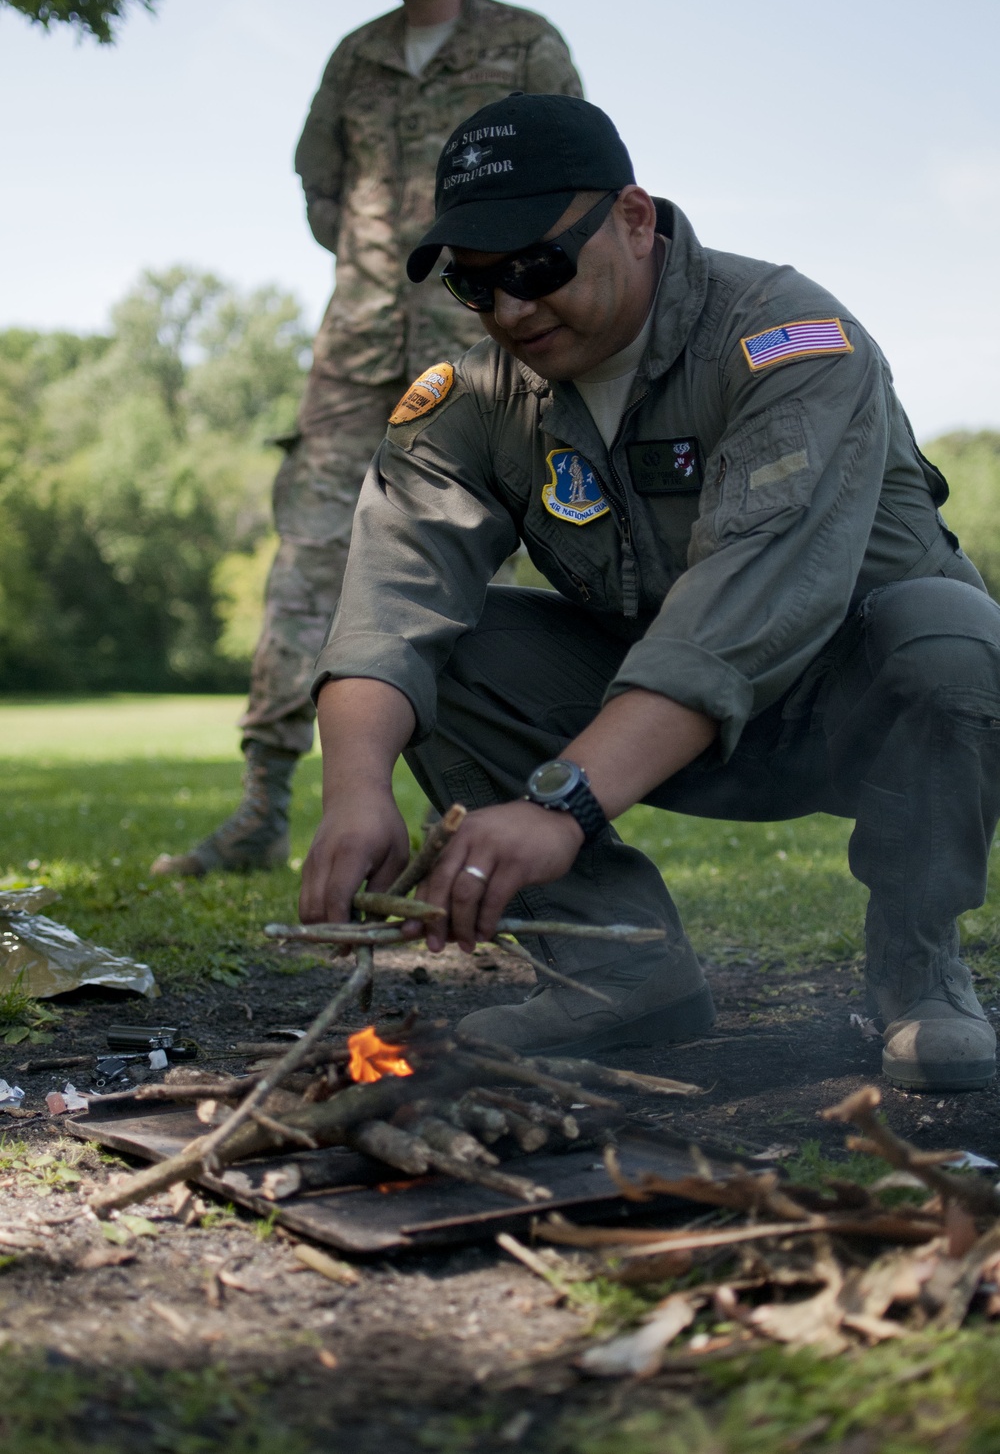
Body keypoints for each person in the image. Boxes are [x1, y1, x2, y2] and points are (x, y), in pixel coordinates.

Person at [298, 92, 1000, 1094]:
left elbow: (748, 602)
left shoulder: (786, 340)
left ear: (633, 218)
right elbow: (390, 600)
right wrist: (356, 792)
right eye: (474, 283)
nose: (509, 310)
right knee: (450, 647)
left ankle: (917, 963)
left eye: (536, 269)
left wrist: (562, 801)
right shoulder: (473, 397)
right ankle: (618, 975)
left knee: (955, 632)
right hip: (650, 725)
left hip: (858, 715)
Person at [152, 0, 581, 878]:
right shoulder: (354, 57)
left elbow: (570, 188)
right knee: (305, 560)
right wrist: (370, 269)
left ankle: (474, 824)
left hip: (475, 340)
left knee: (473, 572)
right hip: (351, 352)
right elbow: (321, 190)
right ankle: (263, 809)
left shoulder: (525, 43)